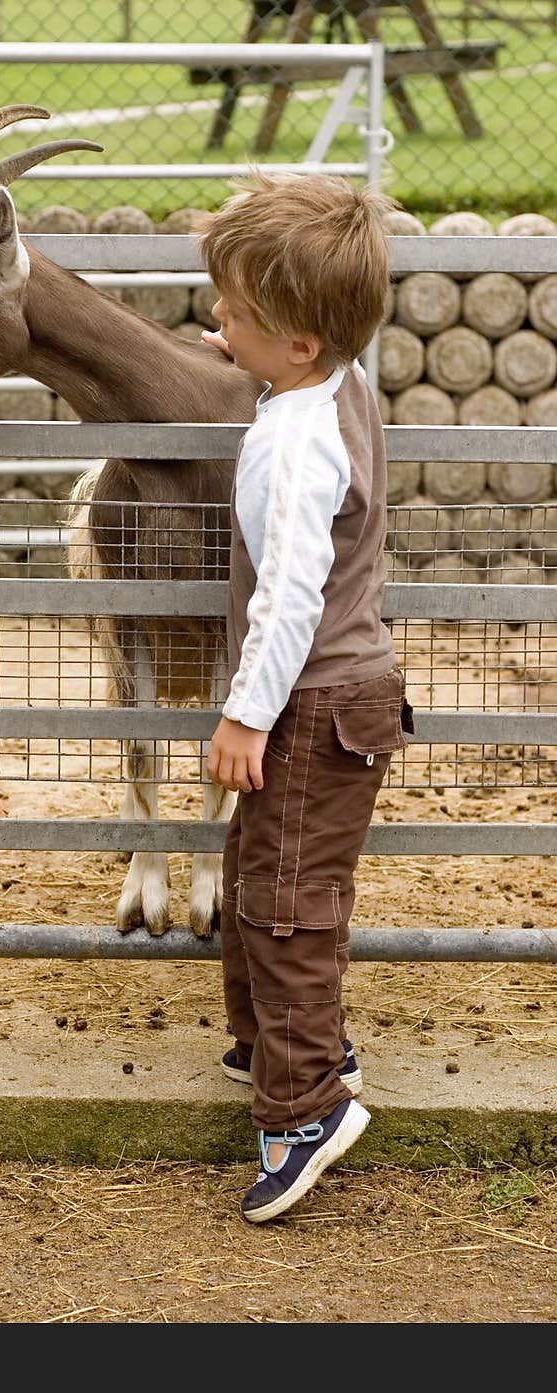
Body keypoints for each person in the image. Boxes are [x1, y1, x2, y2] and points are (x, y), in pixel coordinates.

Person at [194, 172, 414, 1223]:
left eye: (232, 313)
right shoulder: (329, 386)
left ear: (297, 345)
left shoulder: (293, 440)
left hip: (311, 702)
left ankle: (305, 1108)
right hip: (336, 697)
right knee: (262, 878)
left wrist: (243, 713)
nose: (215, 321)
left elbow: (286, 595)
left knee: (284, 907)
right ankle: (278, 1046)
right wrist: (247, 356)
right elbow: (295, 383)